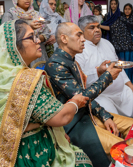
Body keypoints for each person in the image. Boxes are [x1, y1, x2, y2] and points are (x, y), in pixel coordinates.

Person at [0, 19, 93, 167]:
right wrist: (75, 103)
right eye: (32, 37)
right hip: (31, 153)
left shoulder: (4, 76)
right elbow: (60, 117)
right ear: (14, 46)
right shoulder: (26, 80)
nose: (38, 41)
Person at [45, 22, 133, 167]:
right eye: (78, 35)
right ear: (64, 38)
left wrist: (104, 116)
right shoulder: (55, 64)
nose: (83, 39)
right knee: (124, 149)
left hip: (86, 113)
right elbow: (82, 97)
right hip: (73, 122)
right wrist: (107, 77)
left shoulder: (72, 61)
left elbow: (82, 95)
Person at [76, 15, 133, 117]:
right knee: (115, 121)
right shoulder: (79, 50)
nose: (97, 30)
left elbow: (119, 66)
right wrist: (98, 72)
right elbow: (80, 79)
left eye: (98, 27)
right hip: (101, 96)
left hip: (122, 92)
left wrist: (130, 86)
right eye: (92, 27)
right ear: (82, 32)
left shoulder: (107, 43)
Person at [1, 0, 50, 66]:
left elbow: (46, 32)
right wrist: (29, 28)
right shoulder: (10, 15)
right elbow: (6, 36)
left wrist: (38, 38)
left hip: (39, 52)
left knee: (40, 75)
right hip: (20, 54)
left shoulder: (36, 14)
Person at [99, 3, 133, 83]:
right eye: (125, 9)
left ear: (131, 10)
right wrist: (99, 26)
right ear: (123, 10)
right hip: (121, 45)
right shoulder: (120, 19)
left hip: (131, 43)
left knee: (130, 61)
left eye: (129, 9)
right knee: (122, 62)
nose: (127, 11)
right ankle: (123, 80)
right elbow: (111, 28)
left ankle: (131, 80)